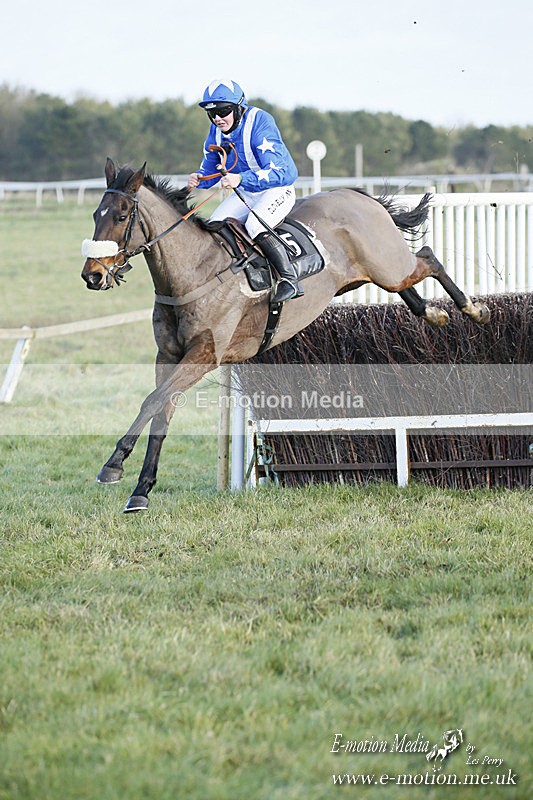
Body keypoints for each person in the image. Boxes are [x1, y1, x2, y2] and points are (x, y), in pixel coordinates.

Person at [188, 79, 303, 302]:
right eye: (212, 114)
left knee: (254, 224)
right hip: (247, 191)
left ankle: (290, 279)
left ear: (239, 107)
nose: (217, 118)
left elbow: (282, 171)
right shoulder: (216, 129)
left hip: (276, 189)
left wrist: (240, 178)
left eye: (223, 111)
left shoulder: (260, 121)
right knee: (215, 224)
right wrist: (200, 179)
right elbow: (210, 166)